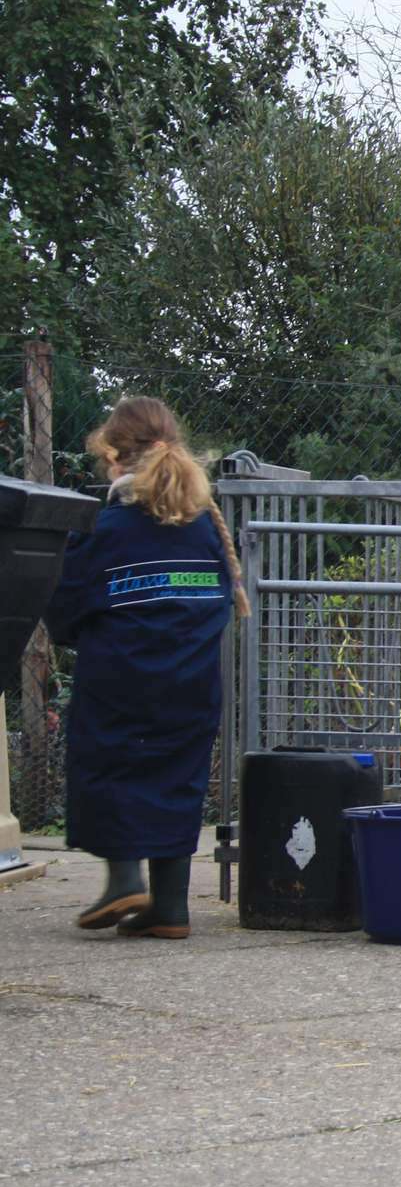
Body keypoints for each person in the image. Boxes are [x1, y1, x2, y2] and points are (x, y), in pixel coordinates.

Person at [45, 397, 247, 939]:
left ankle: (124, 881)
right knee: (176, 780)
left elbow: (66, 605)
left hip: (120, 681)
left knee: (106, 769)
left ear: (114, 458)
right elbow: (223, 599)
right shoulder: (204, 529)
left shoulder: (105, 527)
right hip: (192, 683)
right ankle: (172, 909)